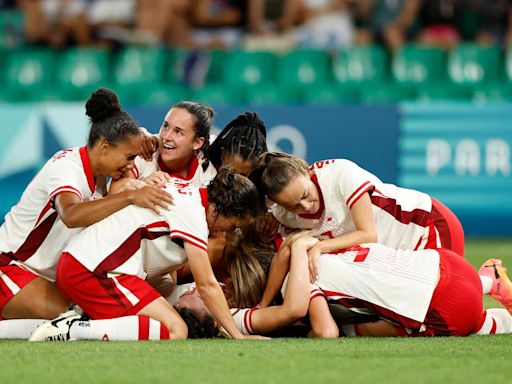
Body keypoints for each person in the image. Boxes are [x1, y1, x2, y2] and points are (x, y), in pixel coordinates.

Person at [29, 168, 267, 341]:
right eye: (234, 224)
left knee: (154, 318)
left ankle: (84, 319)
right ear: (221, 209)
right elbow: (206, 283)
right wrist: (237, 335)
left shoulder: (186, 191)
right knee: (176, 330)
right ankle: (73, 329)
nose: (230, 231)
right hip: (94, 272)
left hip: (87, 264)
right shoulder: (194, 214)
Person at [0, 88, 172, 326]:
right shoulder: (67, 168)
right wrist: (131, 196)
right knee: (77, 316)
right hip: (10, 267)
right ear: (104, 147)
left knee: (88, 311)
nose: (131, 164)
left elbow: (131, 140)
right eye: (128, 157)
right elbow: (71, 214)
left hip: (48, 279)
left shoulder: (103, 171)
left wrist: (147, 137)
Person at [250, 152, 465, 307]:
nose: (305, 207)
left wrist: (320, 247)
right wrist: (263, 305)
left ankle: (488, 280)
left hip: (426, 227)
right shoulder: (283, 216)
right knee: (414, 311)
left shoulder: (339, 174)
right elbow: (284, 255)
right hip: (398, 257)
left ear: (306, 173)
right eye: (294, 205)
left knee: (441, 307)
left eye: (305, 195)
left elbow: (368, 234)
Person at [120, 101, 217, 189]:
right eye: (166, 126)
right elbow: (114, 193)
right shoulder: (144, 149)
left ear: (197, 143)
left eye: (178, 132)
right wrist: (142, 187)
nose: (166, 137)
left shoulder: (209, 167)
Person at [208, 111, 268, 177]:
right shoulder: (201, 170)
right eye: (230, 173)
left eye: (243, 176)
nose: (235, 180)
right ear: (222, 154)